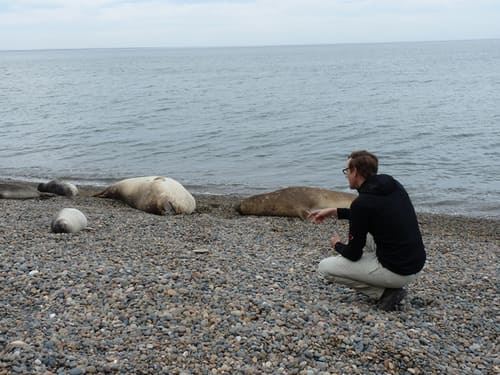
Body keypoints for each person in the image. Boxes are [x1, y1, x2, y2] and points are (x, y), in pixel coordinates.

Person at [307, 150, 426, 311]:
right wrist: (335, 211)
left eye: (347, 171)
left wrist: (337, 245)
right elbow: (371, 215)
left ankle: (384, 292)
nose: (346, 175)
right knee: (369, 233)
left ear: (355, 172)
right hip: (415, 264)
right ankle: (381, 276)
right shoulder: (392, 185)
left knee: (325, 268)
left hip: (398, 272)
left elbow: (353, 254)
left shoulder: (362, 203)